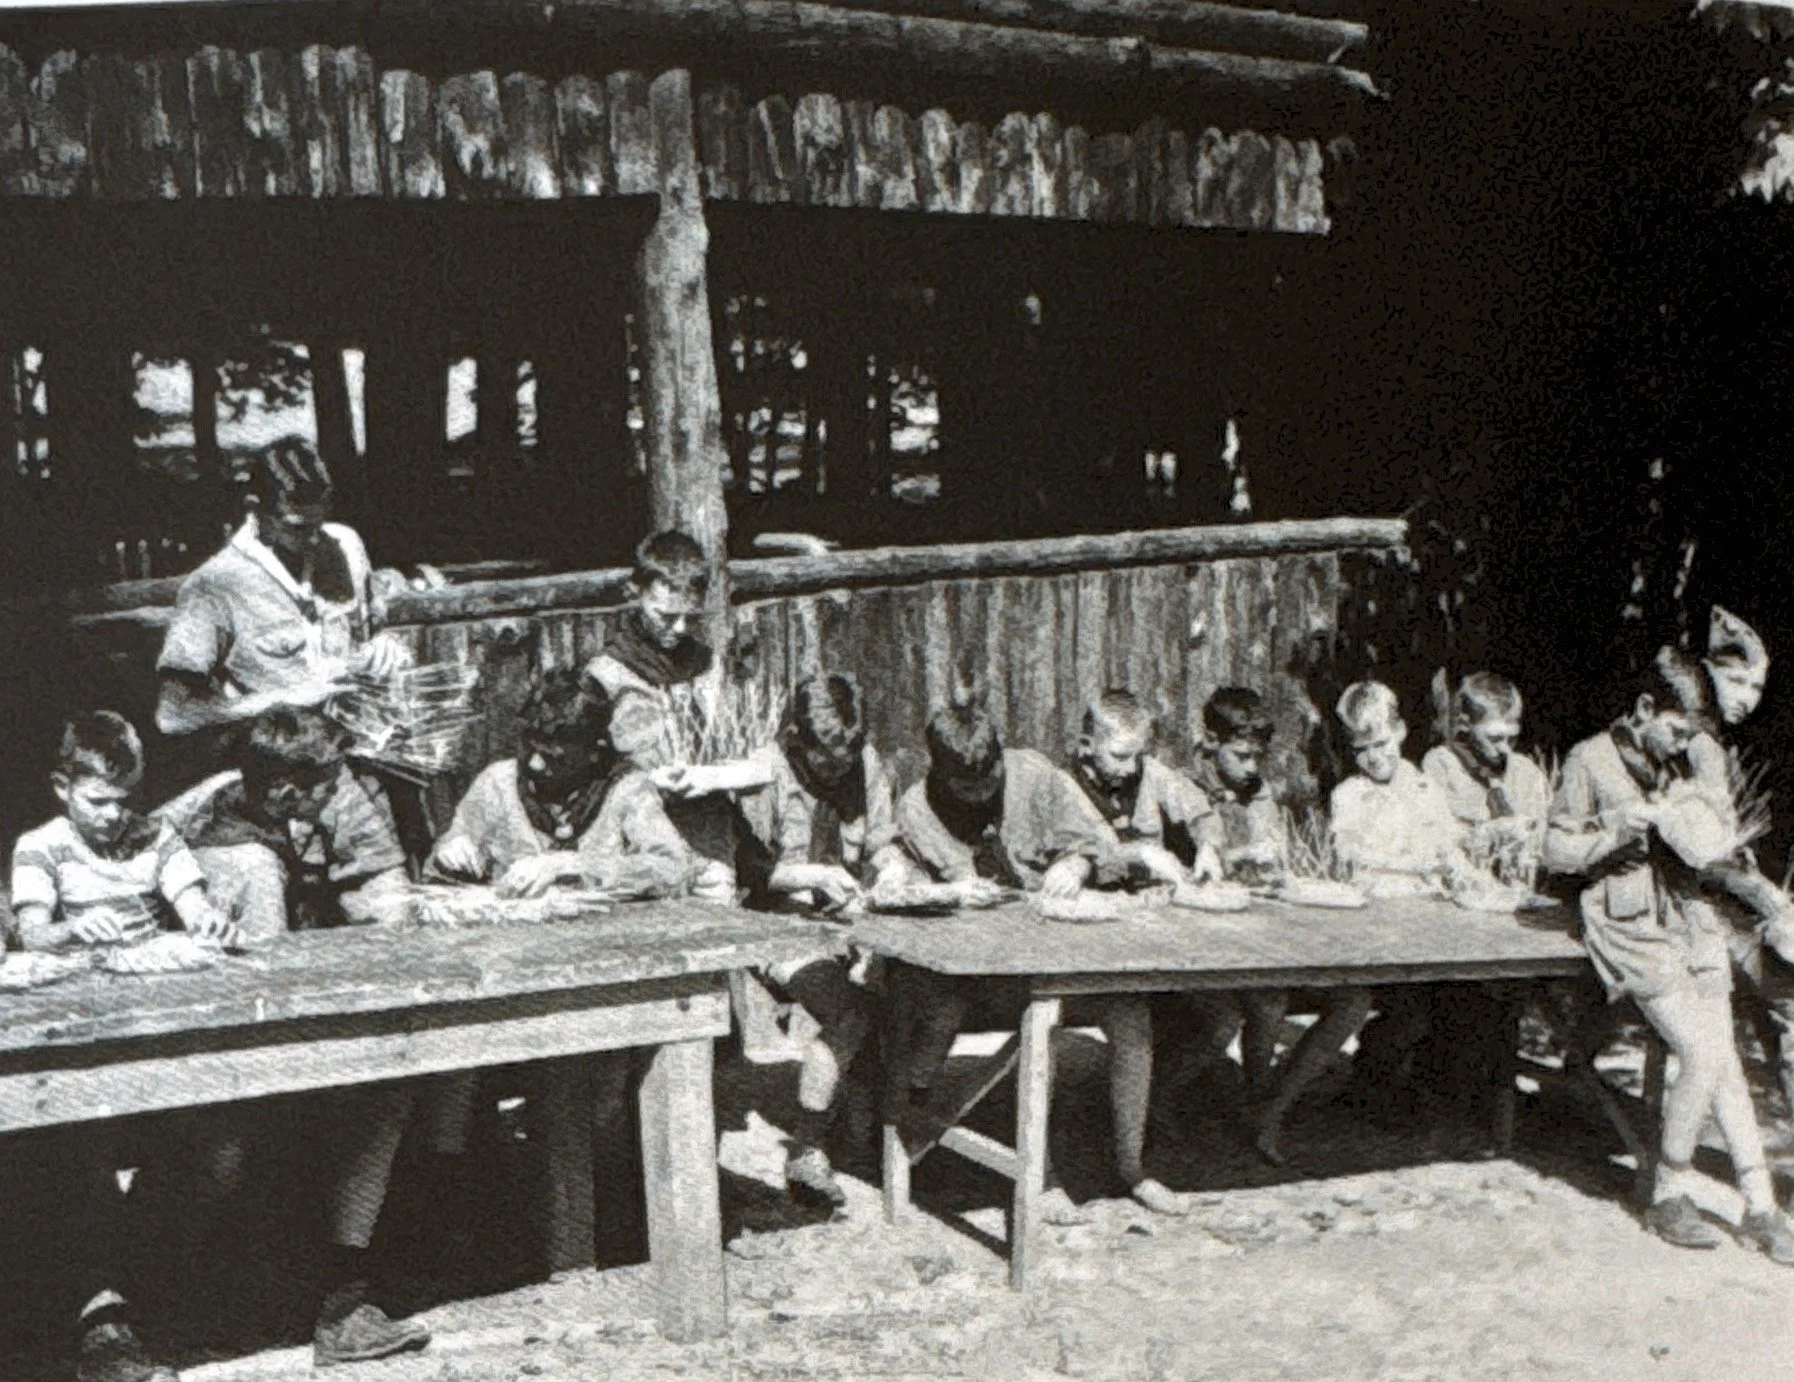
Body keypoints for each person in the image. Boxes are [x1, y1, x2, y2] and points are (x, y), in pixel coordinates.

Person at [156, 709, 440, 1366]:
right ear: (286, 792)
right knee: (322, 1111)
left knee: (381, 1090)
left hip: (270, 1031)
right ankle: (300, 1303)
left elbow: (380, 895)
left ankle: (337, 1299)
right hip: (226, 1052)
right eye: (327, 785)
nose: (339, 792)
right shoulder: (226, 842)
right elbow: (263, 996)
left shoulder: (292, 800)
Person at [11, 713, 246, 1382]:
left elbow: (191, 898)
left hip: (154, 1018)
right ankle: (101, 1313)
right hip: (79, 1025)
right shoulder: (42, 846)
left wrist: (206, 918)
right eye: (99, 801)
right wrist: (74, 925)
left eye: (125, 800)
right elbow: (31, 933)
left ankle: (152, 1280)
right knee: (80, 1142)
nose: (115, 817)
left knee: (220, 1142)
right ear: (63, 786)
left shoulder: (156, 836)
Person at [1545, 646, 1794, 1260]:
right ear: (1643, 708)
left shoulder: (1682, 763)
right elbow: (1554, 851)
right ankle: (1668, 1192)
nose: (1682, 744)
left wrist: (1700, 814)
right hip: (1628, 926)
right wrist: (1616, 831)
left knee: (1725, 1059)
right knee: (1703, 1054)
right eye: (1676, 730)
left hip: (1690, 919)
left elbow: (1710, 839)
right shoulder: (1590, 760)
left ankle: (1761, 1208)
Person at [895, 699, 1189, 1214]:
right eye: (966, 790)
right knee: (1041, 1029)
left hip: (1061, 956)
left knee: (1131, 1017)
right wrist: (951, 894)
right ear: (940, 775)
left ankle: (1132, 1166)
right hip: (981, 976)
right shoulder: (915, 809)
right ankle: (1042, 1178)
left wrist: (1075, 864)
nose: (982, 796)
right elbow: (919, 906)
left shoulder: (1034, 774)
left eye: (991, 783)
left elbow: (1092, 841)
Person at [740, 672, 912, 1207]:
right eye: (825, 760)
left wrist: (891, 870)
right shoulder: (763, 772)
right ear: (797, 739)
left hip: (851, 914)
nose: (839, 770)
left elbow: (882, 840)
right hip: (777, 920)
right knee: (850, 1013)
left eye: (847, 755)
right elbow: (747, 872)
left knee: (908, 992)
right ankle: (807, 1147)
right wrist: (813, 877)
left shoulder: (863, 761)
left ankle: (881, 1133)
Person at [154, 442, 409, 741]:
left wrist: (384, 645)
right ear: (255, 510)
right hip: (280, 765)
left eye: (320, 522)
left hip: (359, 742)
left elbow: (374, 631)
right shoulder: (213, 586)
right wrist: (282, 699)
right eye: (298, 528)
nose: (316, 539)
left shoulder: (347, 546)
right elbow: (173, 716)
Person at [582, 530, 773, 900]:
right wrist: (648, 779)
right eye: (666, 616)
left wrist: (715, 776)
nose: (680, 630)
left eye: (691, 618)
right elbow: (589, 773)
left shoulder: (708, 665)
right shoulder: (605, 675)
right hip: (643, 843)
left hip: (711, 839)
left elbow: (756, 755)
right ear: (635, 591)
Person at [426, 670, 688, 900]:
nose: (536, 764)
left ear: (592, 751)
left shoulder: (626, 787)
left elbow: (673, 870)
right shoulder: (497, 782)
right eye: (530, 748)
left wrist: (571, 865)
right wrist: (450, 853)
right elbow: (438, 866)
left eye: (555, 758)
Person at [1068, 689, 1224, 888]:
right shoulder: (1065, 784)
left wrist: (1208, 846)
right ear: (1086, 745)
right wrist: (1141, 853)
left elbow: (1202, 812)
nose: (1132, 767)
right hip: (1094, 901)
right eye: (1120, 756)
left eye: (1137, 755)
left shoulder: (1149, 771)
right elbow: (1072, 851)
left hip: (1151, 899)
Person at [1330, 681, 1464, 894]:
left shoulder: (1427, 790)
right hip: (1373, 904)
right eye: (1361, 750)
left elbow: (1449, 850)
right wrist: (1418, 862)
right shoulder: (1349, 796)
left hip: (1426, 905)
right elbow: (1349, 857)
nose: (1373, 757)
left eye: (1381, 744)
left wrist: (1457, 868)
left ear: (1400, 731)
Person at [1422, 672, 1551, 878]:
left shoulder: (1527, 773)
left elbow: (1543, 839)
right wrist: (1484, 833)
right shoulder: (1441, 765)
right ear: (1465, 724)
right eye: (1495, 738)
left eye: (1512, 739)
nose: (1505, 750)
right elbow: (1432, 836)